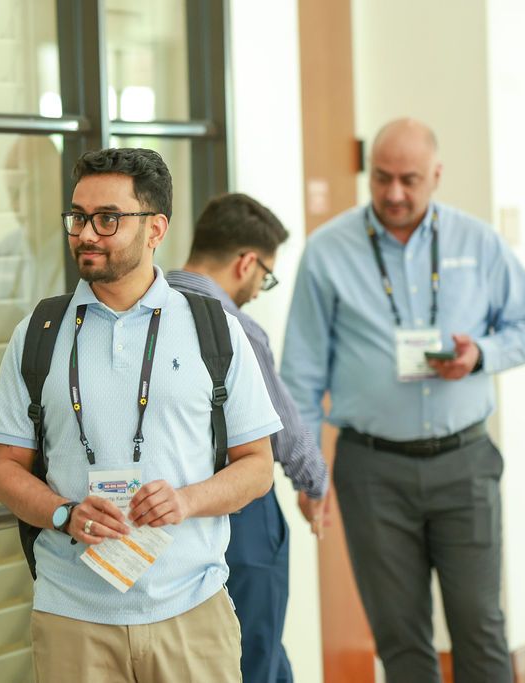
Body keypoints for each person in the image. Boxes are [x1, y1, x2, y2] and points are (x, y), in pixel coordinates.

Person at [0, 148, 282, 683]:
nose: (86, 234)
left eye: (108, 219)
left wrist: (186, 500)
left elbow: (257, 466)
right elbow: (4, 469)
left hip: (191, 611)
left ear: (155, 229)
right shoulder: (38, 333)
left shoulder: (214, 329)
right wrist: (64, 514)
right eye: (78, 217)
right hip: (72, 616)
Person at [282, 118, 525, 683]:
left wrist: (481, 354)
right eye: (382, 178)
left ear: (436, 175)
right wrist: (308, 472)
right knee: (400, 637)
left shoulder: (478, 243)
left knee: (480, 626)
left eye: (410, 179)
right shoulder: (328, 252)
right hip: (372, 470)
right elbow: (300, 375)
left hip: (464, 464)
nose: (395, 193)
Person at [167, 193, 329, 683]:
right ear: (246, 263)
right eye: (266, 276)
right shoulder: (234, 327)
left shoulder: (144, 312)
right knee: (254, 653)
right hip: (240, 515)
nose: (260, 289)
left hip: (165, 516)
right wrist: (316, 483)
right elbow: (282, 430)